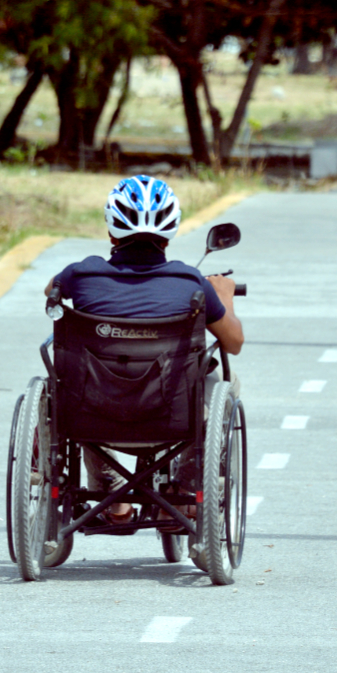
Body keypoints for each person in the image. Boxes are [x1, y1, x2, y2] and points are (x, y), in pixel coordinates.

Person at [44, 175, 244, 524]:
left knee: (74, 381)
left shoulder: (81, 275)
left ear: (111, 232)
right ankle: (184, 491)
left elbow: (50, 291)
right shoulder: (191, 283)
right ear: (170, 233)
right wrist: (223, 296)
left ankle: (112, 494)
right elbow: (234, 343)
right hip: (170, 415)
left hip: (93, 416)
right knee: (224, 383)